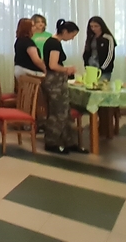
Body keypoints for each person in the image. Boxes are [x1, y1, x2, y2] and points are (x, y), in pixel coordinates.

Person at [41, 19, 87, 155]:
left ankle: (70, 142)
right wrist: (67, 69)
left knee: (66, 113)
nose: (72, 38)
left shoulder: (52, 42)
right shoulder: (54, 44)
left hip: (56, 80)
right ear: (65, 32)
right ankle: (51, 142)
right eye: (72, 35)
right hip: (55, 81)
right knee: (58, 113)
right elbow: (53, 65)